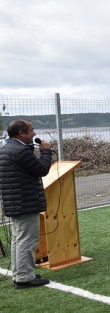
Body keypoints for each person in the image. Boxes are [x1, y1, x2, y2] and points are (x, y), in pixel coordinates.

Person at [0, 120, 52, 288]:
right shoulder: (20, 151)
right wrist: (46, 152)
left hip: (16, 202)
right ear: (21, 133)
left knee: (19, 239)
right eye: (31, 130)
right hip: (25, 202)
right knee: (27, 241)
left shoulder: (7, 149)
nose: (34, 133)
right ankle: (24, 277)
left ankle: (20, 273)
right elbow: (42, 169)